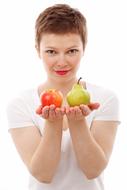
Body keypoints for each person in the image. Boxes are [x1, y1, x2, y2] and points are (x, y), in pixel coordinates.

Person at [6, 4, 120, 190]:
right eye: (51, 52)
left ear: (84, 48)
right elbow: (43, 174)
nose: (62, 62)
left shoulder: (105, 98)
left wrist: (78, 122)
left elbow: (93, 170)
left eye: (71, 51)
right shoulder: (20, 104)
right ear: (37, 50)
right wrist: (53, 123)